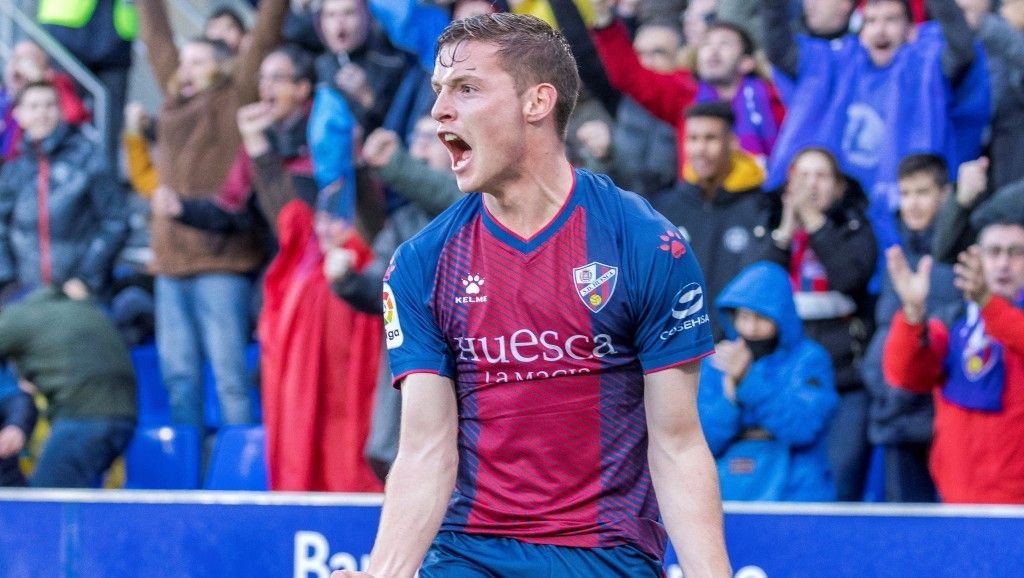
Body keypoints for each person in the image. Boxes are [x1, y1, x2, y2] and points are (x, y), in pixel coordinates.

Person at [334, 13, 731, 578]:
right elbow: (425, 450)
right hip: (469, 554)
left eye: (466, 88)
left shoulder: (647, 244)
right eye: (439, 90)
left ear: (537, 102)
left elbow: (678, 444)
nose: (439, 110)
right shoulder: (422, 263)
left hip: (606, 556)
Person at [136, 0, 286, 432]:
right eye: (184, 62)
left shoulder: (235, 94)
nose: (186, 68)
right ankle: (191, 468)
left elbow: (264, 36)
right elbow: (157, 38)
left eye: (198, 62)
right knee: (178, 377)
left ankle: (237, 468)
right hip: (170, 264)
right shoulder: (172, 100)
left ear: (223, 67)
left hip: (223, 262)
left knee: (229, 377)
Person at [762, 0, 990, 250]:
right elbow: (779, 49)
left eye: (891, 20)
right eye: (871, 21)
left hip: (914, 231)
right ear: (861, 31)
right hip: (843, 228)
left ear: (911, 30)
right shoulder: (835, 63)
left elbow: (962, 48)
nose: (880, 30)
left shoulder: (930, 65)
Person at [755, 147, 877, 501]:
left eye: (821, 176)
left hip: (844, 381)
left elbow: (850, 277)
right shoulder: (769, 226)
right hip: (782, 381)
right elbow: (757, 289)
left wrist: (814, 223)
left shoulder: (856, 228)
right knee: (785, 486)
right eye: (802, 176)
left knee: (840, 483)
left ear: (839, 187)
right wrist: (784, 232)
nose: (811, 185)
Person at [884, 215, 1024, 503]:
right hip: (957, 498)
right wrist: (912, 315)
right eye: (993, 252)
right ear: (976, 259)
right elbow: (907, 376)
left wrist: (987, 303)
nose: (1003, 264)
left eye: (1015, 253)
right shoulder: (952, 322)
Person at [589, 0, 785, 171]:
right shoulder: (685, 95)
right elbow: (628, 75)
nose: (713, 50)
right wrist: (605, 21)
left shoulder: (774, 98)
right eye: (706, 44)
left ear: (746, 62)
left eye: (724, 44)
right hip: (698, 198)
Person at [699, 261, 838, 502]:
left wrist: (747, 380)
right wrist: (730, 398)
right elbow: (703, 441)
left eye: (761, 318)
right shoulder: (717, 362)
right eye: (743, 316)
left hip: (796, 491)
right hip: (730, 491)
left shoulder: (809, 359)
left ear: (782, 316)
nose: (750, 328)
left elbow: (803, 428)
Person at [862, 153, 957, 502]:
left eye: (922, 192)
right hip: (897, 419)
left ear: (945, 194)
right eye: (906, 194)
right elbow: (884, 334)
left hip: (941, 421)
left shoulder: (963, 260)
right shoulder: (896, 259)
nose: (912, 204)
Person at [650, 102, 770, 340]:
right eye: (693, 139)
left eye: (710, 139)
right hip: (676, 347)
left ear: (732, 142)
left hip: (737, 349)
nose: (700, 149)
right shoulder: (666, 207)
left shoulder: (762, 206)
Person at [0, 282, 136, 488]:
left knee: (43, 503)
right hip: (125, 420)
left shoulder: (18, 315)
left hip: (83, 418)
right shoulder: (84, 310)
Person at [0, 81, 128, 299]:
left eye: (49, 105)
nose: (42, 113)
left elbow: (116, 220)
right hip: (26, 295)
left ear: (60, 110)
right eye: (34, 106)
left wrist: (85, 278)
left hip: (78, 294)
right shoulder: (14, 168)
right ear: (19, 114)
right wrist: (7, 280)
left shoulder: (87, 158)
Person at [0, 41, 90, 160]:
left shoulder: (57, 82)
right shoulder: (6, 94)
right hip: (13, 161)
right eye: (17, 57)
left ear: (44, 60)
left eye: (29, 56)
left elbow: (74, 116)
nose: (22, 63)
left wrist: (38, 78)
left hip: (52, 157)